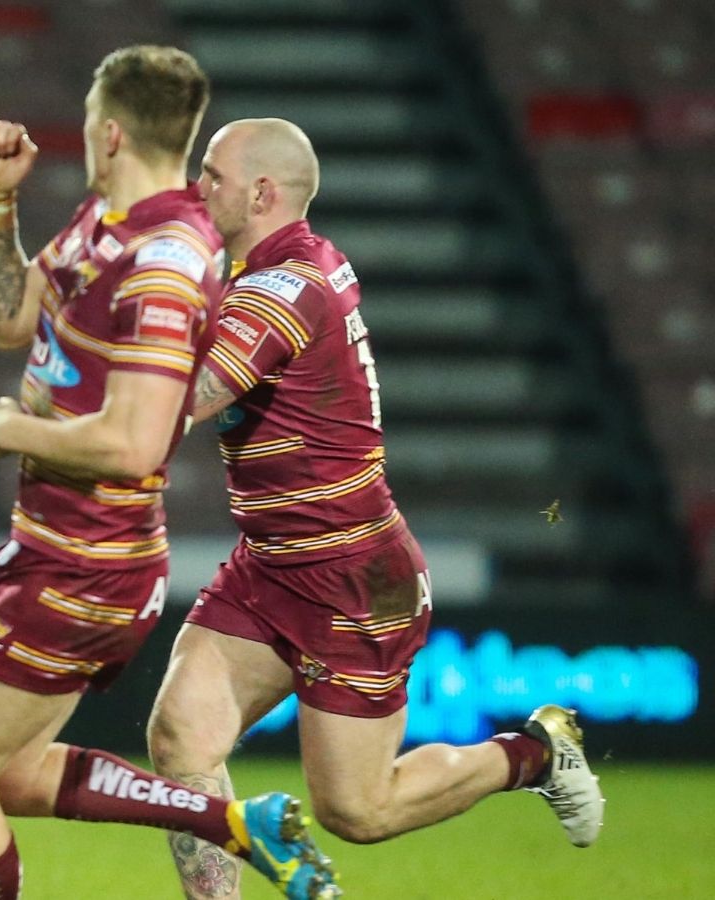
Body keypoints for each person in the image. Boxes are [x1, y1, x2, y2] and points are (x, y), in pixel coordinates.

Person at [0, 46, 340, 900]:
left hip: (86, 557)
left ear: (109, 131)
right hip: (60, 547)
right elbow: (7, 320)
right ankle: (226, 822)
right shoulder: (102, 221)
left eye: (85, 115)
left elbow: (139, 442)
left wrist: (15, 428)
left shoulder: (168, 259)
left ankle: (225, 821)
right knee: (6, 774)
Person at [145, 118, 605, 899]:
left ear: (263, 192)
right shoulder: (281, 267)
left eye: (213, 175)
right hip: (272, 565)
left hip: (352, 575)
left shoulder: (281, 288)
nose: (198, 189)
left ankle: (534, 754)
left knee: (358, 810)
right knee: (180, 736)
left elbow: (180, 404)